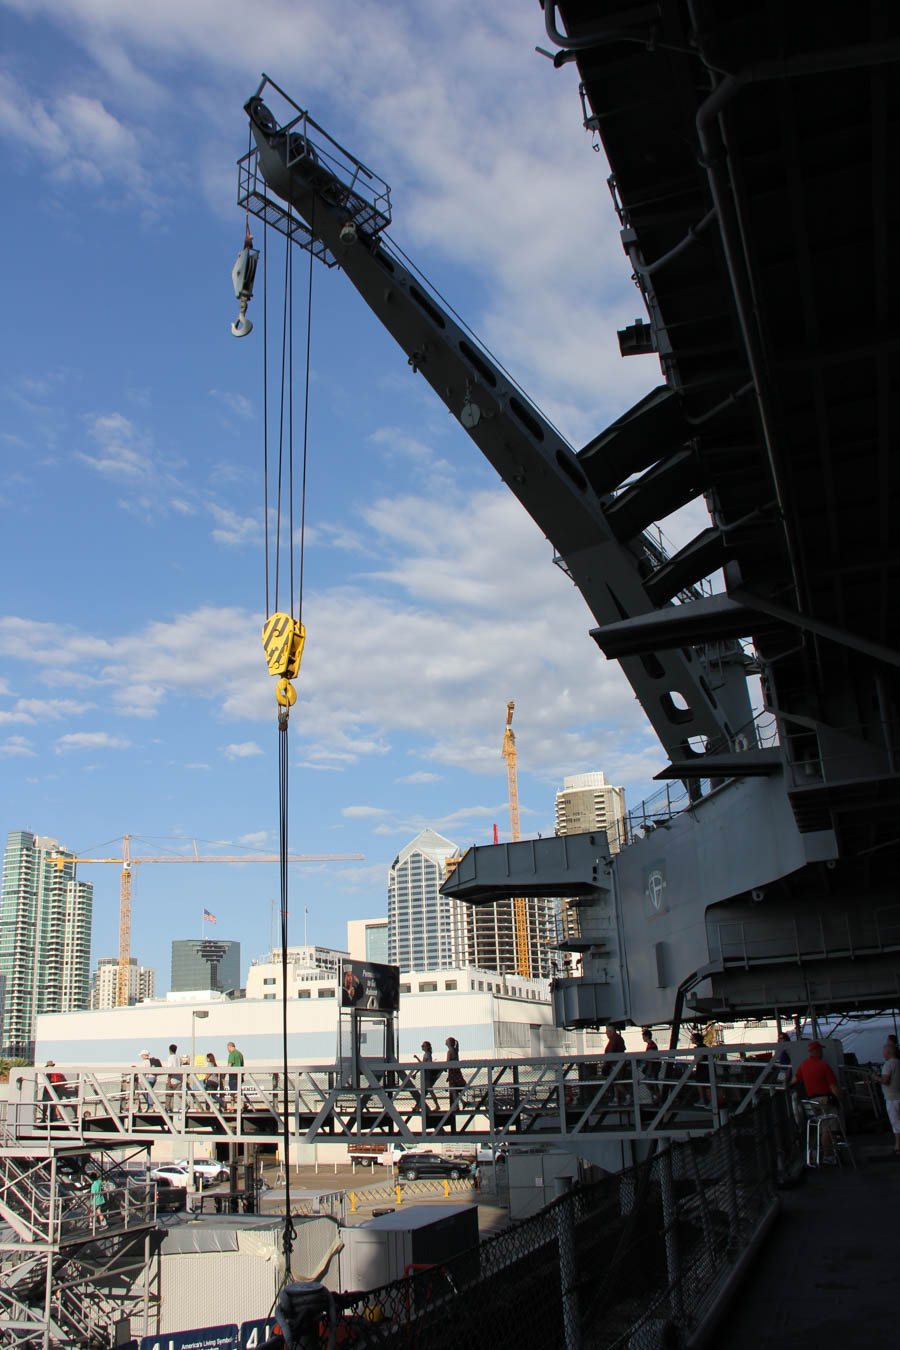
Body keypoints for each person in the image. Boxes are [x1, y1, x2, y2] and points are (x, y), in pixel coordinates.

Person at [793, 1041, 842, 1157]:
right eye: (820, 1050)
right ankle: (827, 1154)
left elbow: (794, 1080)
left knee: (821, 1125)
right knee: (828, 1127)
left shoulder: (803, 1065)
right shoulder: (823, 1065)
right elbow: (833, 1087)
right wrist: (840, 1100)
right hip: (825, 1100)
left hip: (811, 1102)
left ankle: (824, 1152)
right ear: (817, 1051)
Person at [873, 1040, 900, 1156]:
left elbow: (885, 1080)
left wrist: (876, 1078)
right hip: (898, 1094)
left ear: (888, 1052)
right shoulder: (898, 1063)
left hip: (891, 1097)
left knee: (896, 1123)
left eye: (884, 1052)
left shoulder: (888, 1065)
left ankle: (898, 1146)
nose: (883, 1054)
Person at [604, 1024, 627, 1104]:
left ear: (610, 1031)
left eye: (607, 1032)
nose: (606, 1033)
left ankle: (627, 1096)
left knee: (616, 1081)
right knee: (616, 1081)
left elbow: (611, 1052)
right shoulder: (616, 1038)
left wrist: (606, 1064)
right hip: (617, 1063)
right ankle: (616, 1099)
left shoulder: (614, 1039)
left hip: (616, 1064)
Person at [414, 1040, 441, 1109]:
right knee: (425, 1092)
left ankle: (437, 1105)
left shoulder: (426, 1054)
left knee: (429, 1091)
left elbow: (422, 1065)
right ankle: (419, 1106)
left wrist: (417, 1058)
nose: (422, 1047)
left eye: (423, 1046)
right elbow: (423, 1064)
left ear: (426, 1047)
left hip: (427, 1074)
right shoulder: (428, 1054)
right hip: (427, 1073)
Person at [641, 1028, 660, 1104]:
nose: (643, 1038)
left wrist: (649, 1069)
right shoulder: (651, 1044)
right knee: (652, 1082)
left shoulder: (651, 1045)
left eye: (644, 1036)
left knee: (650, 1082)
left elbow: (651, 1058)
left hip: (652, 1067)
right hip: (652, 1067)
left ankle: (656, 1097)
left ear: (647, 1036)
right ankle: (655, 1097)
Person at [445, 1037, 465, 1105]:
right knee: (454, 1089)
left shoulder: (449, 1052)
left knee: (453, 1088)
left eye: (447, 1040)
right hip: (457, 1070)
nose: (446, 1041)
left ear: (449, 1043)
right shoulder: (455, 1050)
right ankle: (462, 1101)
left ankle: (457, 1105)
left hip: (452, 1071)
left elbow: (447, 1063)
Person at [226, 1041, 244, 1109]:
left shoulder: (232, 1054)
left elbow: (229, 1065)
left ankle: (235, 1105)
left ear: (230, 1047)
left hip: (233, 1077)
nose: (228, 1050)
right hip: (239, 1076)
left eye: (227, 1048)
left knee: (234, 1092)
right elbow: (242, 1065)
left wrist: (225, 1073)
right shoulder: (240, 1054)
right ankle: (236, 1105)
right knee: (238, 1091)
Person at [164, 1044, 179, 1111]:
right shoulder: (179, 1057)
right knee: (179, 1094)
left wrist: (169, 1080)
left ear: (170, 1050)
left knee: (169, 1094)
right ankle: (185, 1104)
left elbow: (170, 1070)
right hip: (179, 1079)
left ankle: (167, 1108)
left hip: (172, 1079)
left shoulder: (170, 1058)